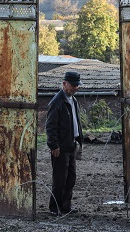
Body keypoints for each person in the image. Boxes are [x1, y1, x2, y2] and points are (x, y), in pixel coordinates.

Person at [45, 71, 83, 216]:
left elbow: (76, 122)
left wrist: (79, 140)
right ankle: (55, 208)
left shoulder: (73, 100)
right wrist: (54, 146)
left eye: (77, 85)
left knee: (70, 178)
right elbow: (50, 126)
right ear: (64, 84)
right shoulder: (57, 102)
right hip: (61, 147)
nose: (75, 88)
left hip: (71, 144)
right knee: (60, 179)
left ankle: (66, 206)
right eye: (73, 85)